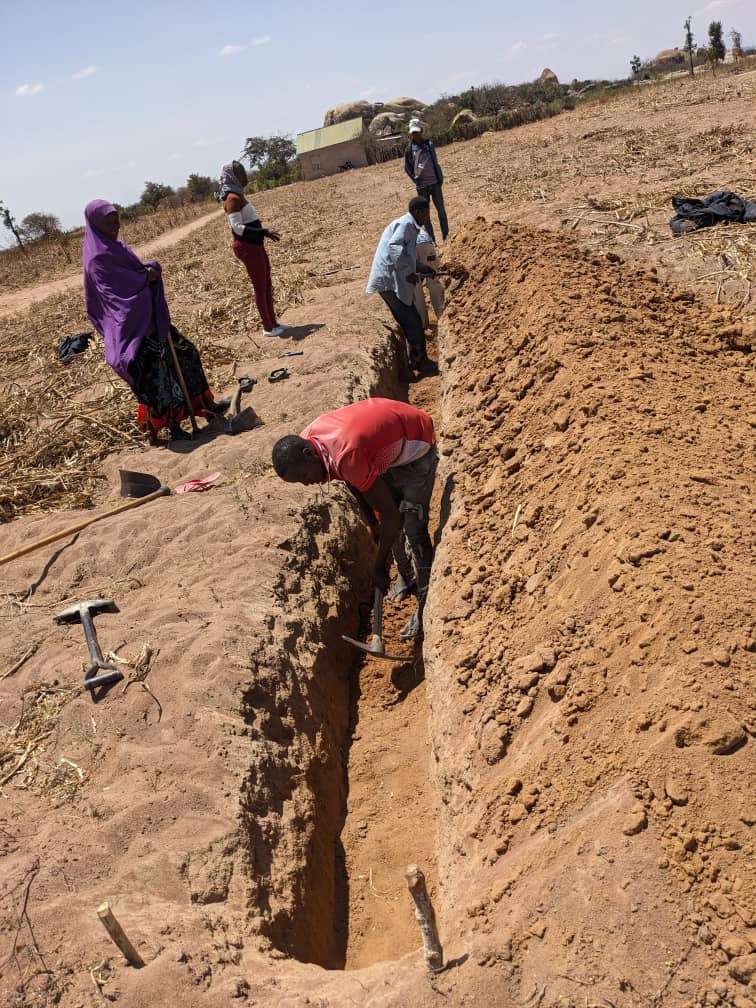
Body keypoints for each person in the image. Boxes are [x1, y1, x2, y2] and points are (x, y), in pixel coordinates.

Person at [272, 398, 438, 640]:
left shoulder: (346, 453)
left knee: (412, 526)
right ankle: (406, 575)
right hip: (384, 448)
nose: (308, 483)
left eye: (305, 476)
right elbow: (350, 478)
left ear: (308, 454)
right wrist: (371, 521)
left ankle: (426, 610)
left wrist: (379, 566)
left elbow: (391, 516)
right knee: (386, 522)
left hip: (416, 444)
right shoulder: (311, 440)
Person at [82, 199, 227, 442]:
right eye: (109, 224)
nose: (115, 228)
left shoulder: (117, 247)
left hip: (151, 320)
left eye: (117, 223)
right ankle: (172, 427)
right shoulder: (97, 259)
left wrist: (146, 273)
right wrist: (144, 279)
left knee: (187, 355)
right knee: (158, 378)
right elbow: (115, 297)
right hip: (131, 330)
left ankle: (206, 406)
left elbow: (134, 274)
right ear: (96, 225)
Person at [365, 197, 436, 376]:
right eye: (426, 212)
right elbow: (394, 247)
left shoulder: (411, 227)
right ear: (419, 212)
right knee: (412, 321)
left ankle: (418, 363)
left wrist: (421, 268)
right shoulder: (405, 225)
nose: (428, 216)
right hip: (387, 281)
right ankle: (418, 365)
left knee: (412, 320)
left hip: (392, 279)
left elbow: (407, 255)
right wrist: (408, 272)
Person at [220, 161, 287, 338]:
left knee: (266, 283)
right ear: (232, 177)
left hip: (255, 244)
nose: (244, 175)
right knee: (260, 286)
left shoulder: (237, 195)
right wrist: (263, 231)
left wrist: (262, 234)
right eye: (240, 172)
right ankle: (268, 327)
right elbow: (237, 228)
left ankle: (274, 323)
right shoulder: (232, 198)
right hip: (247, 247)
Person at [404, 119, 448, 243]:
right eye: (413, 133)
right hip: (422, 188)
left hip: (434, 184)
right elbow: (407, 168)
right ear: (410, 134)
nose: (415, 135)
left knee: (441, 211)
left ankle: (446, 237)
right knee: (425, 216)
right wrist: (416, 180)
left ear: (421, 131)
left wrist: (439, 178)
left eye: (417, 132)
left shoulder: (429, 144)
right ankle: (432, 241)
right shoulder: (408, 150)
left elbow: (435, 162)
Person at [413, 225, 445, 331]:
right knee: (434, 281)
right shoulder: (420, 228)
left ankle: (422, 324)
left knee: (415, 287)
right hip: (427, 244)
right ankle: (442, 316)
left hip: (412, 250)